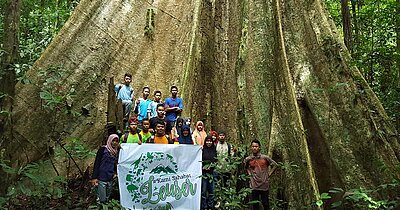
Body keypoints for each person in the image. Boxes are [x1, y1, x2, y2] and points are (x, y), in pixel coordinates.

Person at [244, 139, 277, 210]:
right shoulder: (248, 159)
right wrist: (250, 175)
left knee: (265, 204)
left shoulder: (265, 158)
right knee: (255, 205)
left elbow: (275, 165)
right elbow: (246, 167)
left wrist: (269, 174)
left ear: (259, 147)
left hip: (264, 185)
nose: (254, 148)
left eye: (256, 146)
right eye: (253, 146)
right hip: (254, 186)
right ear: (251, 147)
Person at [90, 134, 119, 204]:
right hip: (101, 177)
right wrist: (94, 177)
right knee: (101, 198)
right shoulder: (103, 149)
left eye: (116, 141)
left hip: (110, 177)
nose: (114, 143)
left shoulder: (115, 152)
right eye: (113, 141)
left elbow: (114, 164)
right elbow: (97, 163)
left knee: (107, 197)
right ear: (109, 141)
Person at [201, 135, 217, 210]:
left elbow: (216, 160)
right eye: (207, 141)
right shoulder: (202, 150)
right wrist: (204, 167)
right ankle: (204, 206)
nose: (209, 142)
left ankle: (210, 206)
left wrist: (212, 166)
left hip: (212, 172)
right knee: (203, 191)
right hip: (204, 173)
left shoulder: (214, 149)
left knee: (212, 190)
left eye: (210, 141)